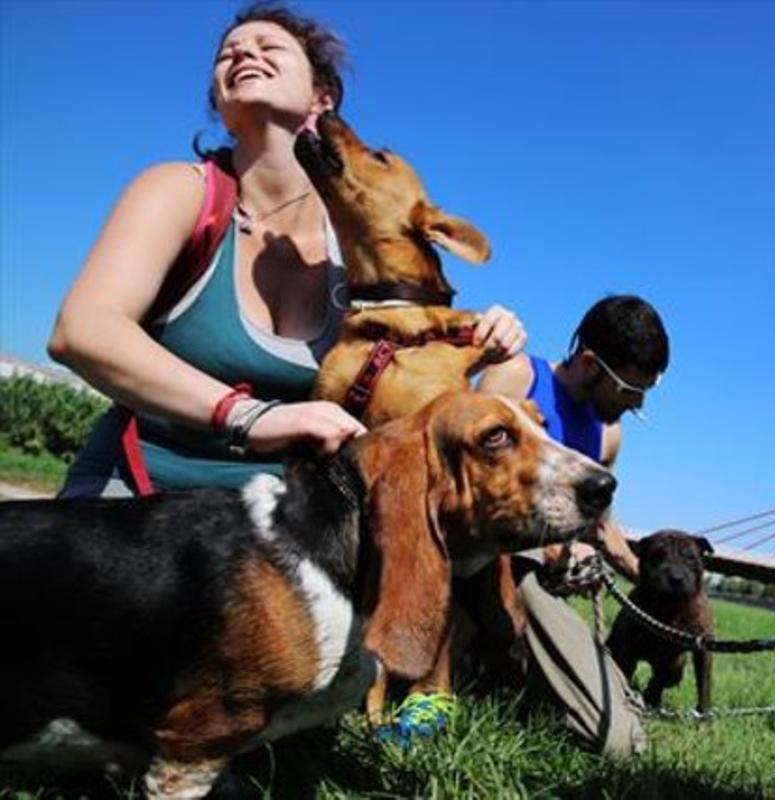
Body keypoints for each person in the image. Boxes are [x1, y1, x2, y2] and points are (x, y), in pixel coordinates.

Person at [48, 1, 525, 498]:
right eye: (227, 54)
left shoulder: (360, 255)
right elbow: (80, 330)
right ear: (219, 98)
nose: (243, 54)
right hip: (135, 492)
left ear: (321, 95)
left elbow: (419, 386)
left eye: (268, 46)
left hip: (283, 521)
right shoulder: (182, 191)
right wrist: (249, 417)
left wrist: (487, 339)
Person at [476, 294, 670, 756]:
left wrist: (657, 588)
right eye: (628, 389)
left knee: (612, 718)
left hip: (540, 585)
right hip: (492, 571)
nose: (636, 403)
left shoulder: (608, 435)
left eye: (645, 393)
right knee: (618, 742)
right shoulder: (517, 377)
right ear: (588, 362)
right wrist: (551, 549)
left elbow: (603, 528)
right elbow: (465, 489)